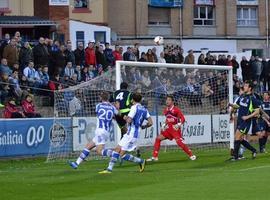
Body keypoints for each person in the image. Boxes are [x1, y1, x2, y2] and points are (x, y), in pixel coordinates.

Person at [99, 93, 153, 174]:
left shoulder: (134, 108)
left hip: (132, 134)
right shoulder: (145, 109)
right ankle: (109, 169)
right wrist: (143, 127)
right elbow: (150, 123)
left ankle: (141, 161)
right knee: (117, 150)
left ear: (132, 100)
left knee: (121, 154)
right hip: (130, 133)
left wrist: (125, 117)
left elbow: (129, 120)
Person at [69, 91, 119, 169]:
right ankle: (76, 163)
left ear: (101, 98)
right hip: (106, 131)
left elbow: (97, 112)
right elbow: (117, 113)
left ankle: (115, 154)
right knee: (88, 146)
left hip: (100, 130)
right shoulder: (112, 107)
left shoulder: (98, 105)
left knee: (99, 151)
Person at [147, 95, 196, 162]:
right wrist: (165, 124)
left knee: (179, 143)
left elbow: (183, 119)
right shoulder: (165, 110)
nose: (167, 101)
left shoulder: (176, 109)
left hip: (175, 129)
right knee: (158, 138)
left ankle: (191, 155)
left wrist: (178, 124)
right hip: (168, 130)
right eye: (167, 100)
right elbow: (168, 119)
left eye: (169, 100)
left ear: (172, 102)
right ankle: (155, 157)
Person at [229, 81, 260, 160]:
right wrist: (231, 106)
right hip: (240, 120)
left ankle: (235, 157)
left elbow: (257, 111)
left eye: (246, 86)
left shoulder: (252, 99)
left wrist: (248, 117)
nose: (244, 87)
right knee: (240, 139)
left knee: (237, 137)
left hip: (246, 122)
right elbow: (237, 106)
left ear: (250, 88)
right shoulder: (242, 96)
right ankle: (254, 150)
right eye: (244, 86)